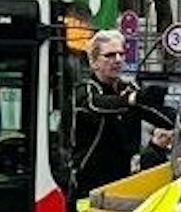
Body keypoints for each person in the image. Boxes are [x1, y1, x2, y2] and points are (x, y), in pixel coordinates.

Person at [72, 30, 174, 195]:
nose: (117, 60)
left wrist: (176, 117)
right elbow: (95, 104)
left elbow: (153, 114)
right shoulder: (87, 88)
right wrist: (132, 99)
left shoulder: (127, 89)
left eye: (121, 54)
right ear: (94, 62)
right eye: (110, 55)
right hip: (89, 181)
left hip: (124, 179)